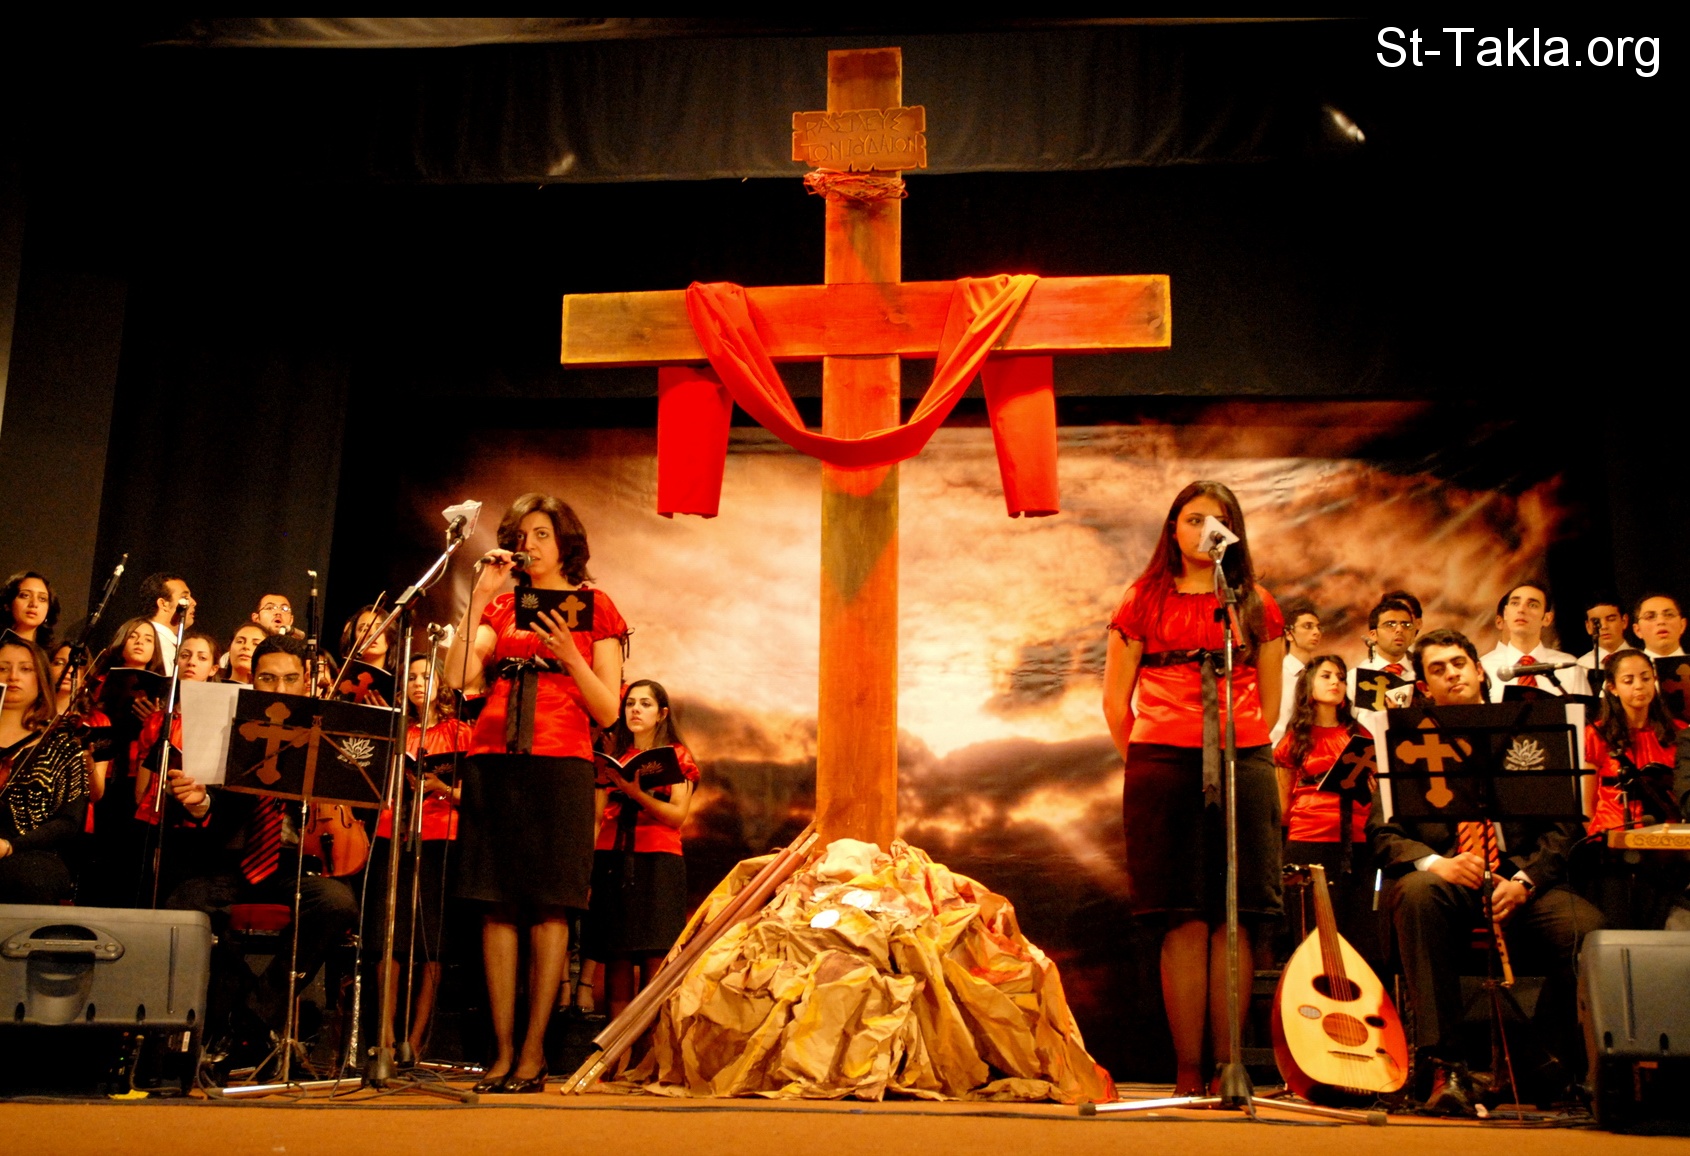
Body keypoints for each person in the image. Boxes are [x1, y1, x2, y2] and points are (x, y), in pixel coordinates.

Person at [1369, 629, 1602, 1113]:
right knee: (1417, 893)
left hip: (1518, 881)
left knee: (1587, 929)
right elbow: (1383, 832)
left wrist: (1524, 882)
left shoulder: (1527, 730)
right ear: (1425, 686)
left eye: (1459, 663)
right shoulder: (1404, 738)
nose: (1451, 674)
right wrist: (1437, 863)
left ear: (1478, 669)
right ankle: (1445, 1066)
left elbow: (1564, 826)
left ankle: (1545, 1064)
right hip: (1446, 881)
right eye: (1437, 669)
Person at [1102, 480, 1285, 1097]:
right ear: (1173, 529)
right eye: (1192, 519)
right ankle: (1186, 1073)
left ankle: (1229, 1068)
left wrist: (1238, 745)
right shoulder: (1142, 600)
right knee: (1182, 916)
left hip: (1243, 760)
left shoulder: (1256, 603)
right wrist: (1154, 756)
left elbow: (1270, 703)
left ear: (1234, 531)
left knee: (1236, 915)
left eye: (1217, 520)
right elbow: (1115, 703)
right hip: (1164, 764)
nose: (1205, 530)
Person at [442, 493, 626, 1094]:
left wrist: (571, 655)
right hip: (495, 760)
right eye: (523, 535)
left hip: (560, 762)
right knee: (495, 905)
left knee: (550, 906)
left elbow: (608, 711)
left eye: (542, 534)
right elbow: (457, 679)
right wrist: (478, 598)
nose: (531, 545)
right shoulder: (501, 606)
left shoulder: (596, 606)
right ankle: (500, 1051)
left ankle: (533, 1051)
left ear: (565, 541)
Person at [158, 635, 360, 1063]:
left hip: (293, 863)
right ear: (252, 680)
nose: (280, 689)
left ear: (306, 681)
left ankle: (252, 1016)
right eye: (268, 678)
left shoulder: (324, 731)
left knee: (337, 903)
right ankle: (237, 1014)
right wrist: (199, 802)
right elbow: (209, 804)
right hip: (230, 860)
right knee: (184, 904)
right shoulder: (225, 723)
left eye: (290, 679)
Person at [365, 654, 471, 1059]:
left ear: (441, 683)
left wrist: (440, 787)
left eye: (425, 676)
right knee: (387, 937)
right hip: (392, 832)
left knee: (432, 941)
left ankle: (418, 1037)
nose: (416, 682)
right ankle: (386, 1036)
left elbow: (476, 795)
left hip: (441, 836)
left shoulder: (460, 732)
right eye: (410, 676)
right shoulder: (395, 730)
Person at [577, 680, 699, 1021]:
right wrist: (587, 869)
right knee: (615, 957)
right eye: (630, 703)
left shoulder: (677, 756)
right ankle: (616, 1049)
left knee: (654, 958)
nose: (635, 710)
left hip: (658, 861)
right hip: (611, 858)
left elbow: (677, 816)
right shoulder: (614, 758)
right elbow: (597, 817)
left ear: (662, 714)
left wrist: (635, 793)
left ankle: (648, 1047)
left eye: (645, 704)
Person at [1274, 655, 1383, 971]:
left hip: (1358, 842)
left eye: (1341, 677)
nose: (1336, 682)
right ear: (1308, 684)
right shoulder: (1294, 740)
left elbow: (1376, 793)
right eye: (1326, 676)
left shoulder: (1361, 735)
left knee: (1358, 935)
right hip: (1308, 840)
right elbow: (1283, 807)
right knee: (1311, 937)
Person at [1579, 649, 1690, 931]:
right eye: (1628, 680)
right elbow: (1586, 806)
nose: (1639, 686)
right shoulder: (1597, 734)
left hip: (1665, 847)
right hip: (1612, 844)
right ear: (1612, 688)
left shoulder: (1678, 732)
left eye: (1645, 678)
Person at [0, 636, 90, 903]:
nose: (13, 676)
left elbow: (69, 822)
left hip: (33, 856)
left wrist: (10, 846)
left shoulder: (62, 746)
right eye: (2, 668)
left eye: (25, 669)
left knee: (29, 877)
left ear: (41, 678)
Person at [1480, 581, 1590, 698]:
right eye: (1515, 603)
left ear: (1547, 618)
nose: (1521, 610)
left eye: (1532, 605)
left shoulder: (1568, 667)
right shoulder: (1485, 667)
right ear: (1506, 613)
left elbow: (1585, 709)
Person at [1347, 596, 1418, 711]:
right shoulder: (1355, 678)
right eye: (1390, 624)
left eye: (1406, 625)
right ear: (1373, 635)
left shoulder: (1421, 674)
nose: (1399, 629)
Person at [1269, 600, 1320, 745]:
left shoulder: (1319, 674)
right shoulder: (1277, 674)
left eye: (1318, 627)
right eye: (1308, 626)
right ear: (1289, 634)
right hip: (1278, 749)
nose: (1316, 632)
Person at [137, 572, 196, 671]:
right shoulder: (155, 645)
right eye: (185, 597)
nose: (193, 602)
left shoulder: (168, 644)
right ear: (163, 604)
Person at [3, 570, 60, 651]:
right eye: (25, 595)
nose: (34, 604)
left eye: (42, 599)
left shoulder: (53, 654)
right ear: (7, 605)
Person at [1577, 595, 1631, 673]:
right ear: (1588, 627)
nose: (1604, 626)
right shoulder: (1581, 666)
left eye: (1611, 619)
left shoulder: (1643, 660)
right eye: (1596, 622)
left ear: (1624, 621)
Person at [1631, 592, 1687, 659]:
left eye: (1669, 615)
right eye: (1650, 617)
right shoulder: (1625, 665)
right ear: (1638, 630)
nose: (1661, 621)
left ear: (1682, 625)